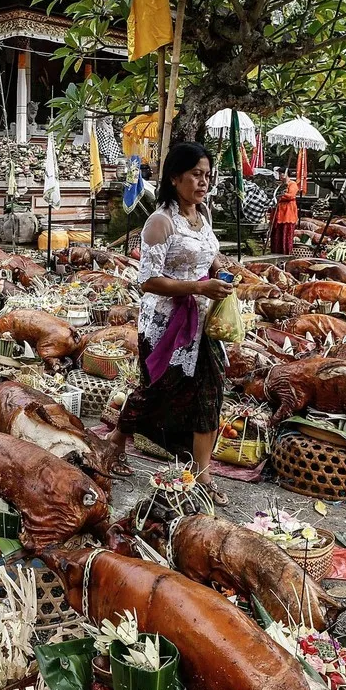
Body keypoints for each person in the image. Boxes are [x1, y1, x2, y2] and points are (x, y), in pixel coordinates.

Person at [106, 142, 234, 506]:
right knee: (156, 390)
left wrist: (220, 275)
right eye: (196, 174)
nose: (203, 182)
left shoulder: (203, 216)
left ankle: (202, 475)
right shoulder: (159, 221)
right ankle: (117, 439)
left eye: (207, 175)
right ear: (175, 177)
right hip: (166, 325)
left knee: (210, 393)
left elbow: (207, 257)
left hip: (201, 321)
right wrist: (198, 286)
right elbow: (148, 280)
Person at [270, 166, 298, 254]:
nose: (280, 175)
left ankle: (285, 253)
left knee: (286, 235)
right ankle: (275, 252)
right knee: (277, 234)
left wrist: (280, 195)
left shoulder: (292, 184)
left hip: (288, 212)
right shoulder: (280, 185)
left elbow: (291, 196)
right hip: (278, 212)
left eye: (281, 173)